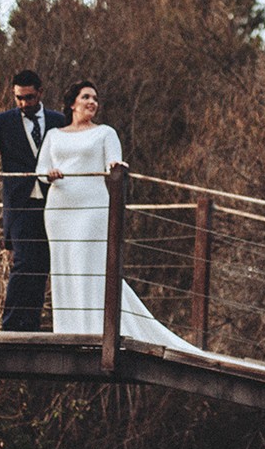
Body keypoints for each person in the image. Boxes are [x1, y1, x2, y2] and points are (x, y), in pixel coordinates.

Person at [35, 81, 195, 351]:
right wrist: (50, 173)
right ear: (72, 103)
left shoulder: (105, 133)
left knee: (90, 263)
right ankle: (69, 332)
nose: (92, 102)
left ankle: (98, 331)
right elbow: (40, 169)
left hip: (92, 206)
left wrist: (113, 166)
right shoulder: (54, 134)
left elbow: (115, 164)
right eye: (86, 97)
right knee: (65, 266)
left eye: (95, 98)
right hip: (60, 207)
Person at [0, 69, 67, 331]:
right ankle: (11, 326)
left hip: (52, 201)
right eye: (19, 98)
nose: (24, 104)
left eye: (29, 98)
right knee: (23, 261)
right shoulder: (3, 121)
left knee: (42, 264)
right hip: (21, 202)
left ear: (40, 92)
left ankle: (31, 325)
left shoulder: (59, 120)